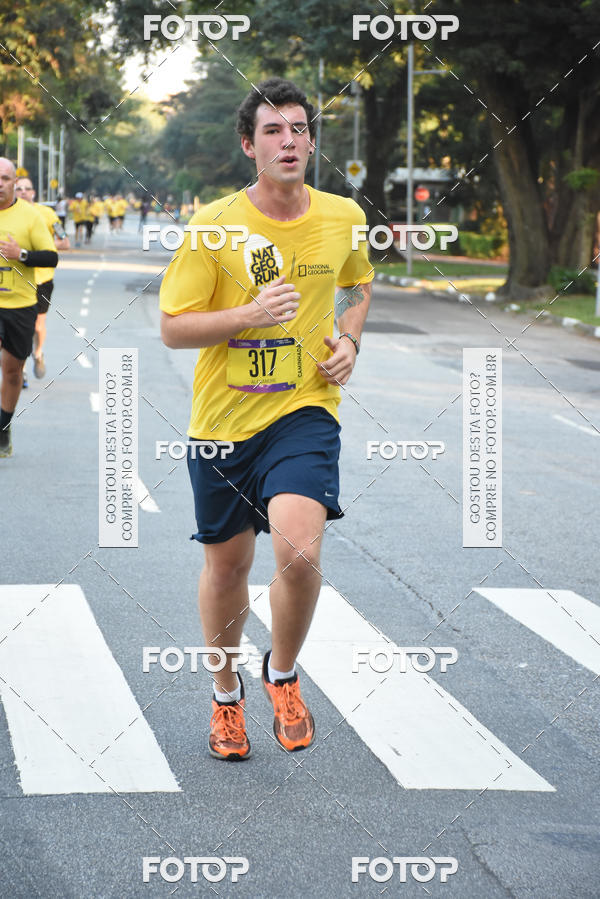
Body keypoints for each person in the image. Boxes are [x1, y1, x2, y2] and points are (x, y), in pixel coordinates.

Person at [159, 77, 372, 761]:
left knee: (300, 548)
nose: (290, 140)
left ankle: (281, 672)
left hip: (304, 410)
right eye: (274, 131)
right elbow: (172, 327)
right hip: (223, 421)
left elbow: (358, 283)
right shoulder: (214, 225)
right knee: (228, 566)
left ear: (312, 141)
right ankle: (226, 694)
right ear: (250, 145)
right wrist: (247, 316)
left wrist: (350, 339)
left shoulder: (341, 215)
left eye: (300, 129)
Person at [0, 158, 57, 457]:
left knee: (12, 372)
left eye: (5, 178)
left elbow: (51, 257)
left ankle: (4, 425)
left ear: (13, 183)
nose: (0, 183)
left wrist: (19, 254)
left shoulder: (30, 217)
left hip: (20, 305)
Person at [14, 177, 70, 379]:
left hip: (42, 279)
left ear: (34, 192)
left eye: (27, 189)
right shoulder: (8, 213)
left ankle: (38, 354)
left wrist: (39, 251)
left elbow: (64, 242)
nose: (23, 192)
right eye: (18, 188)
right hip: (16, 278)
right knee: (20, 325)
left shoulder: (47, 214)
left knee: (37, 325)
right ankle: (21, 367)